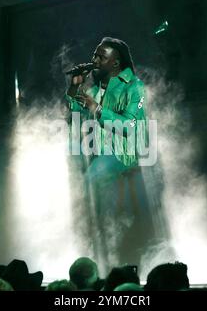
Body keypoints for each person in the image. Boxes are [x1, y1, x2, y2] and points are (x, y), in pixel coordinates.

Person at [65, 37, 153, 269]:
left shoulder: (134, 87)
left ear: (115, 63)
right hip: (100, 154)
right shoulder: (95, 88)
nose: (94, 60)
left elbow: (129, 127)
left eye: (100, 57)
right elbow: (75, 112)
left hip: (125, 156)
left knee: (93, 180)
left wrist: (97, 108)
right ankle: (97, 251)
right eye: (94, 54)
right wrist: (75, 87)